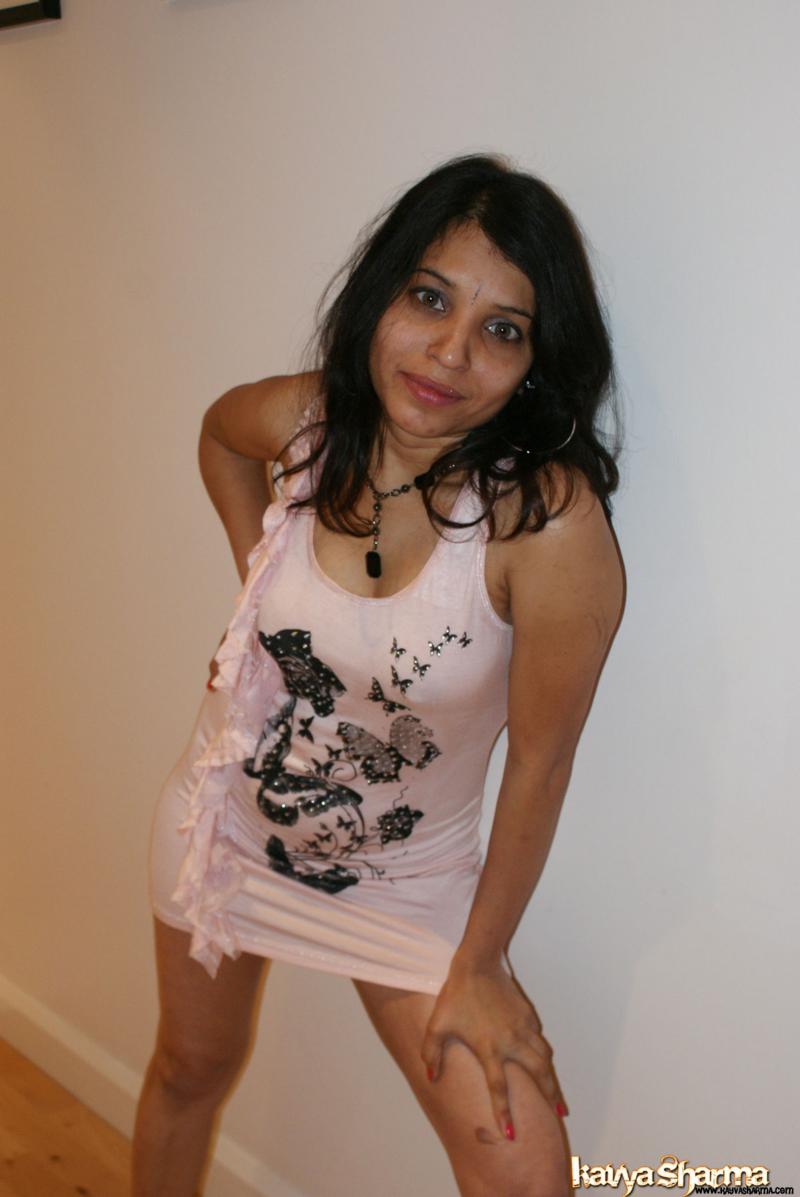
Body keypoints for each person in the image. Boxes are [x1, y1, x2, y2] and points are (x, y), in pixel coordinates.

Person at [133, 153, 625, 1197]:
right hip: (226, 828)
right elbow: (221, 433)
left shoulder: (543, 523)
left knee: (524, 1176)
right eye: (430, 298)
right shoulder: (308, 424)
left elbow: (540, 764)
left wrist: (480, 963)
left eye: (503, 327)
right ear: (381, 295)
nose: (451, 351)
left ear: (535, 362)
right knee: (188, 1069)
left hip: (410, 884)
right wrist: (253, 595)